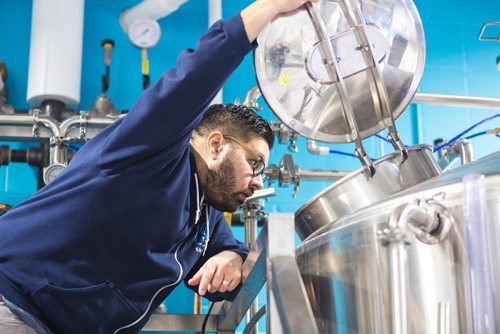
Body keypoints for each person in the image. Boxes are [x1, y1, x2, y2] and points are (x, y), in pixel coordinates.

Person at [0, 0, 317, 333]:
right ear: (216, 145)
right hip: (14, 301)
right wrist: (269, 8)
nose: (256, 182)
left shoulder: (203, 213)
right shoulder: (152, 151)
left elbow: (224, 256)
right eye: (254, 163)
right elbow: (195, 76)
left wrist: (233, 258)